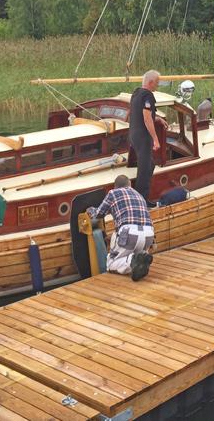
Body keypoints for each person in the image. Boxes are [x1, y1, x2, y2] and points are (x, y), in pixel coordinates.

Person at [87, 175, 155, 281]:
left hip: (129, 233)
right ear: (130, 185)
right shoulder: (139, 195)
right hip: (149, 234)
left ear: (115, 186)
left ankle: (132, 260)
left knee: (111, 263)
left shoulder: (113, 193)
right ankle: (141, 258)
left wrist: (90, 210)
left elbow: (98, 214)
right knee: (138, 256)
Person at [129, 70, 160, 203]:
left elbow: (140, 113)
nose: (157, 86)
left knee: (149, 164)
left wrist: (157, 118)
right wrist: (156, 139)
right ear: (151, 82)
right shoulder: (148, 96)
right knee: (144, 168)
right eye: (157, 83)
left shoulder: (136, 94)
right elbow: (147, 119)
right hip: (143, 137)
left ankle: (140, 195)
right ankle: (141, 201)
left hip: (133, 135)